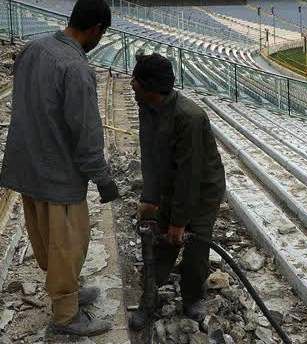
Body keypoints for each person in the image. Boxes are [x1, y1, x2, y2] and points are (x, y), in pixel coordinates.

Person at [0, 0, 118, 336]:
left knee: (48, 241)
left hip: (27, 167)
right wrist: (102, 177)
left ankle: (72, 292)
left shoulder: (33, 49)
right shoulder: (76, 68)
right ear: (96, 30)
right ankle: (66, 316)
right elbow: (86, 132)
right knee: (68, 245)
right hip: (58, 175)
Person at [128, 54, 226, 329]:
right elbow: (149, 155)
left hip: (202, 190)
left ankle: (193, 299)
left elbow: (190, 175)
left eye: (136, 80)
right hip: (171, 185)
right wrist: (150, 198)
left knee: (195, 247)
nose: (131, 83)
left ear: (152, 87)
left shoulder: (189, 117)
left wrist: (179, 223)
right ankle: (149, 300)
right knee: (158, 247)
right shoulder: (146, 106)